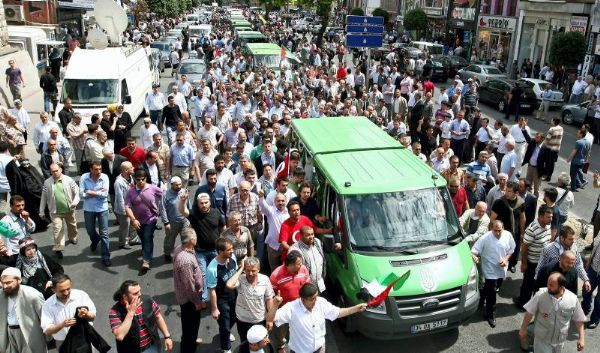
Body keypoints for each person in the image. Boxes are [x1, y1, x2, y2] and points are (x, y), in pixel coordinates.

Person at [267, 282, 367, 353]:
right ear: (302, 299)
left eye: (316, 297)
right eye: (311, 299)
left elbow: (338, 312)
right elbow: (270, 318)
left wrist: (356, 308)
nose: (315, 301)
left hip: (320, 348)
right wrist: (275, 304)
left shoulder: (321, 302)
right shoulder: (291, 308)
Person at [519, 273, 585, 353]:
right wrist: (523, 329)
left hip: (560, 341)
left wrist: (581, 338)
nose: (548, 287)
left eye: (551, 285)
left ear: (561, 287)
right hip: (542, 340)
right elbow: (529, 312)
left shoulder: (573, 299)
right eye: (548, 283)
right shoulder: (540, 295)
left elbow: (579, 319)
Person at [179, 191, 225, 306]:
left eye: (206, 202)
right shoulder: (194, 214)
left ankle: (217, 294)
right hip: (200, 252)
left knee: (216, 272)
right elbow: (182, 211)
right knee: (203, 275)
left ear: (210, 203)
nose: (204, 205)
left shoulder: (216, 212)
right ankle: (204, 298)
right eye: (201, 203)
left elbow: (222, 227)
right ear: (198, 204)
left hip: (215, 250)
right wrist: (183, 201)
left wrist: (222, 242)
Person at [471, 220, 515, 328]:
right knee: (492, 292)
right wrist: (475, 257)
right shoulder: (485, 238)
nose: (498, 233)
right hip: (489, 269)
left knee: (494, 286)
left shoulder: (508, 235)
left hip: (501, 269)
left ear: (503, 228)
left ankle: (481, 295)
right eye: (495, 231)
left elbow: (511, 249)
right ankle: (490, 314)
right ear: (491, 229)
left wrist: (505, 259)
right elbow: (473, 251)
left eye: (500, 230)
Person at [109, 280, 174, 353]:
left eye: (140, 291)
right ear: (125, 297)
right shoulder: (115, 311)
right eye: (135, 293)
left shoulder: (147, 300)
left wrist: (167, 336)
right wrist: (130, 313)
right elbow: (119, 336)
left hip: (152, 346)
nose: (140, 294)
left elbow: (158, 317)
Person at [225, 256, 274, 345]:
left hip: (259, 319)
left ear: (258, 269)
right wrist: (241, 269)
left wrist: (270, 319)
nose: (250, 273)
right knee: (245, 343)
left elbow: (269, 299)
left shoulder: (265, 279)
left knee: (260, 344)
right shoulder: (240, 279)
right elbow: (229, 284)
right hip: (243, 320)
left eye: (253, 271)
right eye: (248, 270)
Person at [125, 168, 167, 271]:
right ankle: (145, 250)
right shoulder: (130, 192)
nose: (140, 181)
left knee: (147, 237)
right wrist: (133, 220)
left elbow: (165, 195)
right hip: (138, 220)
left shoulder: (152, 188)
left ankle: (146, 260)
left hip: (151, 219)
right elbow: (127, 207)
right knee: (143, 238)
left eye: (142, 179)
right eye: (138, 179)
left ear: (146, 179)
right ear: (134, 179)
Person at [41, 274, 96, 349]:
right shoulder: (47, 305)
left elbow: (92, 317)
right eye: (62, 291)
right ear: (53, 290)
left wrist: (86, 314)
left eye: (68, 289)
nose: (66, 293)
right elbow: (47, 330)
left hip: (84, 338)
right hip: (63, 343)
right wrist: (62, 325)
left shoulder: (81, 295)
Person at [0, 267, 47, 353]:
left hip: (28, 334)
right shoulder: (1, 295)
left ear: (19, 280)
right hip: (9, 334)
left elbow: (44, 317)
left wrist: (48, 336)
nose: (5, 286)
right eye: (3, 283)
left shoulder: (33, 295)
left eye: (8, 283)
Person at [515, 204, 553, 309]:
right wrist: (524, 263)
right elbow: (524, 247)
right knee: (528, 285)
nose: (551, 219)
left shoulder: (548, 226)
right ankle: (522, 303)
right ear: (540, 217)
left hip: (543, 263)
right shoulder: (532, 229)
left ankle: (534, 303)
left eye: (551, 217)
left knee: (539, 285)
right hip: (532, 263)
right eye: (548, 217)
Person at [173, 228, 203, 353]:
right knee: (190, 324)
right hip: (189, 300)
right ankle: (188, 348)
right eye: (195, 236)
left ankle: (192, 340)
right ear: (191, 240)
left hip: (185, 296)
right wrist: (197, 302)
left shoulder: (180, 248)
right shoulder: (186, 260)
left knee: (189, 324)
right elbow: (189, 286)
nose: (197, 238)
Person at [39, 163, 79, 259]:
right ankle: (58, 248)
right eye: (53, 171)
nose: (55, 173)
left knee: (72, 225)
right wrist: (41, 211)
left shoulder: (69, 180)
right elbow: (43, 198)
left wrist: (75, 202)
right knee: (57, 230)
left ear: (60, 170)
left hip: (69, 209)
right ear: (50, 172)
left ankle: (73, 237)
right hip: (55, 212)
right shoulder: (47, 182)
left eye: (56, 170)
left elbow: (77, 192)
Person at [207, 237, 238, 353]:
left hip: (234, 296)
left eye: (232, 248)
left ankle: (227, 331)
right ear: (220, 252)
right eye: (229, 249)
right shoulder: (212, 269)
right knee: (224, 325)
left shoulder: (232, 258)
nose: (232, 251)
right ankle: (226, 348)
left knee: (234, 317)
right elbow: (212, 290)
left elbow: (235, 275)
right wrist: (214, 309)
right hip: (222, 301)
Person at [79, 161, 111, 267]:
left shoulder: (104, 177)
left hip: (102, 208)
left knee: (104, 233)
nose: (99, 172)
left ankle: (106, 256)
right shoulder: (84, 177)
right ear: (91, 170)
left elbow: (105, 194)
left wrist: (90, 192)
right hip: (89, 208)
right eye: (96, 169)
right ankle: (95, 239)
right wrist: (98, 192)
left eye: (100, 169)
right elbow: (81, 194)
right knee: (90, 230)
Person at [490, 181, 525, 272]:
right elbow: (492, 218)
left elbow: (522, 218)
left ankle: (512, 264)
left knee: (515, 248)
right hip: (502, 232)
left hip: (515, 231)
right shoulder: (499, 202)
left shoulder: (521, 203)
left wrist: (522, 232)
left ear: (516, 193)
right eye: (506, 190)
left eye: (509, 191)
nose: (506, 193)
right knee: (502, 249)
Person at [289, 226, 327, 293]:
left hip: (319, 283)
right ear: (300, 236)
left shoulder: (317, 242)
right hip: (304, 287)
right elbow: (292, 270)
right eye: (308, 235)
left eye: (312, 234)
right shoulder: (294, 249)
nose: (311, 237)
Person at [162, 176, 189, 262]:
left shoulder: (184, 191)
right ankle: (167, 253)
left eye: (180, 184)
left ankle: (186, 255)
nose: (179, 186)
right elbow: (163, 209)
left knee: (186, 238)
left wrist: (191, 218)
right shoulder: (165, 194)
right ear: (171, 185)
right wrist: (166, 223)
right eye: (176, 185)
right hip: (172, 222)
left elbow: (188, 205)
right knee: (170, 240)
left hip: (184, 220)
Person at [0, 195, 35, 259]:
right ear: (11, 206)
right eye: (18, 206)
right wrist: (11, 256)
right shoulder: (4, 221)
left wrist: (27, 219)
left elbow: (32, 229)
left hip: (29, 249)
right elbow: (6, 241)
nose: (21, 208)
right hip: (17, 254)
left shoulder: (24, 215)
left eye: (23, 205)